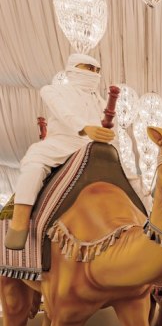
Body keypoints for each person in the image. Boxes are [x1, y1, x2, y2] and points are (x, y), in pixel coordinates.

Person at [6, 53, 115, 250]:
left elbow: (111, 129)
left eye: (97, 70)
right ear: (73, 67)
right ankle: (19, 222)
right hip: (60, 143)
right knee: (34, 163)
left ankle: (145, 223)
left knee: (130, 176)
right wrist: (85, 127)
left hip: (93, 147)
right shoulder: (52, 91)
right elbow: (64, 113)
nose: (94, 73)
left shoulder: (101, 102)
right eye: (89, 68)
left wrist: (110, 136)